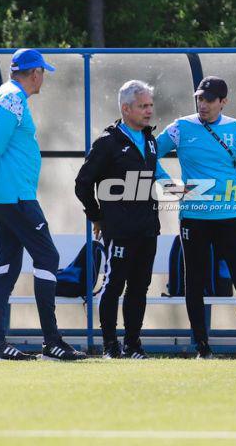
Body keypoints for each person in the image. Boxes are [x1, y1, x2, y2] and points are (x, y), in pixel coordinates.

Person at [0, 48, 86, 362]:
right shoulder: (11, 99)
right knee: (47, 255)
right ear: (35, 73)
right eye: (42, 72)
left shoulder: (5, 96)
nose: (43, 78)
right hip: (16, 198)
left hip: (7, 197)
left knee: (6, 266)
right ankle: (51, 343)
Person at [155, 76, 236, 359]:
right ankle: (202, 347)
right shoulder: (180, 127)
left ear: (223, 102)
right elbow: (151, 153)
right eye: (200, 98)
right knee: (194, 281)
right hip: (194, 217)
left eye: (209, 100)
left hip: (229, 217)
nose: (203, 104)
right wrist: (170, 186)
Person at [75, 80, 171, 359]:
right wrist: (97, 216)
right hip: (119, 229)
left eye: (151, 105)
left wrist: (183, 191)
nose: (149, 111)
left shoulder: (151, 140)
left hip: (148, 228)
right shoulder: (108, 142)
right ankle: (109, 346)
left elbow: (156, 177)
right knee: (114, 284)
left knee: (140, 286)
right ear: (126, 108)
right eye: (143, 106)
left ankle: (133, 345)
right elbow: (82, 184)